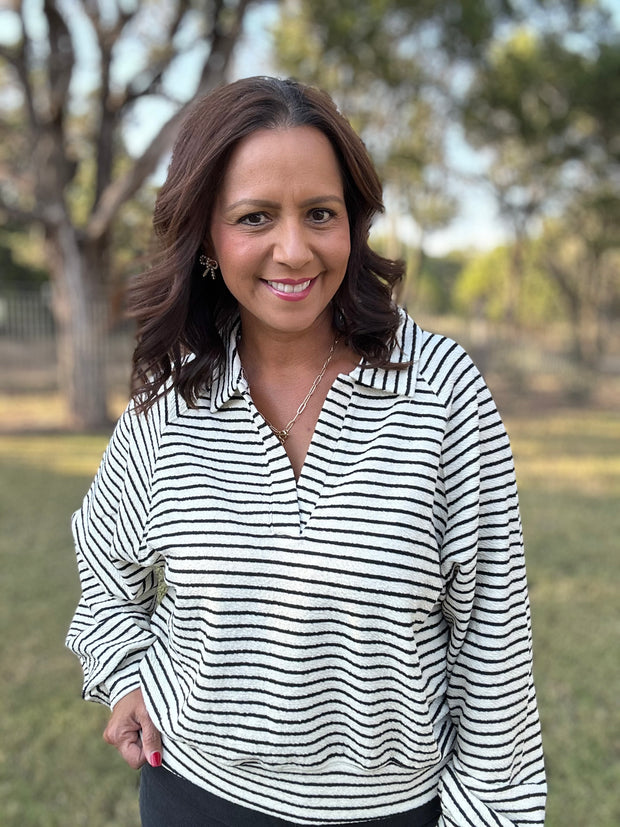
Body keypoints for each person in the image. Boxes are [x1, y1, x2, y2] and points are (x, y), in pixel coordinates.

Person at [66, 76, 546, 827]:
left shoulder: (443, 394)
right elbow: (104, 571)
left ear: (351, 223)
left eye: (320, 213)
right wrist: (124, 673)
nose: (294, 250)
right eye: (255, 216)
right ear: (205, 237)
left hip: (392, 812)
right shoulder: (168, 405)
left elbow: (492, 648)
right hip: (194, 798)